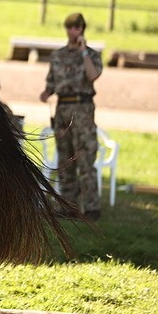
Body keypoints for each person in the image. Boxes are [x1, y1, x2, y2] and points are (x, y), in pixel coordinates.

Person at [39, 13, 103, 220]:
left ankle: (91, 207)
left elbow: (93, 76)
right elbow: (51, 82)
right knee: (65, 158)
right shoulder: (58, 56)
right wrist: (46, 93)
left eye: (77, 27)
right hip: (62, 107)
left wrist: (84, 51)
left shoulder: (91, 55)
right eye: (70, 27)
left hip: (82, 107)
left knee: (84, 158)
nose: (74, 31)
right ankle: (68, 206)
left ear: (83, 29)